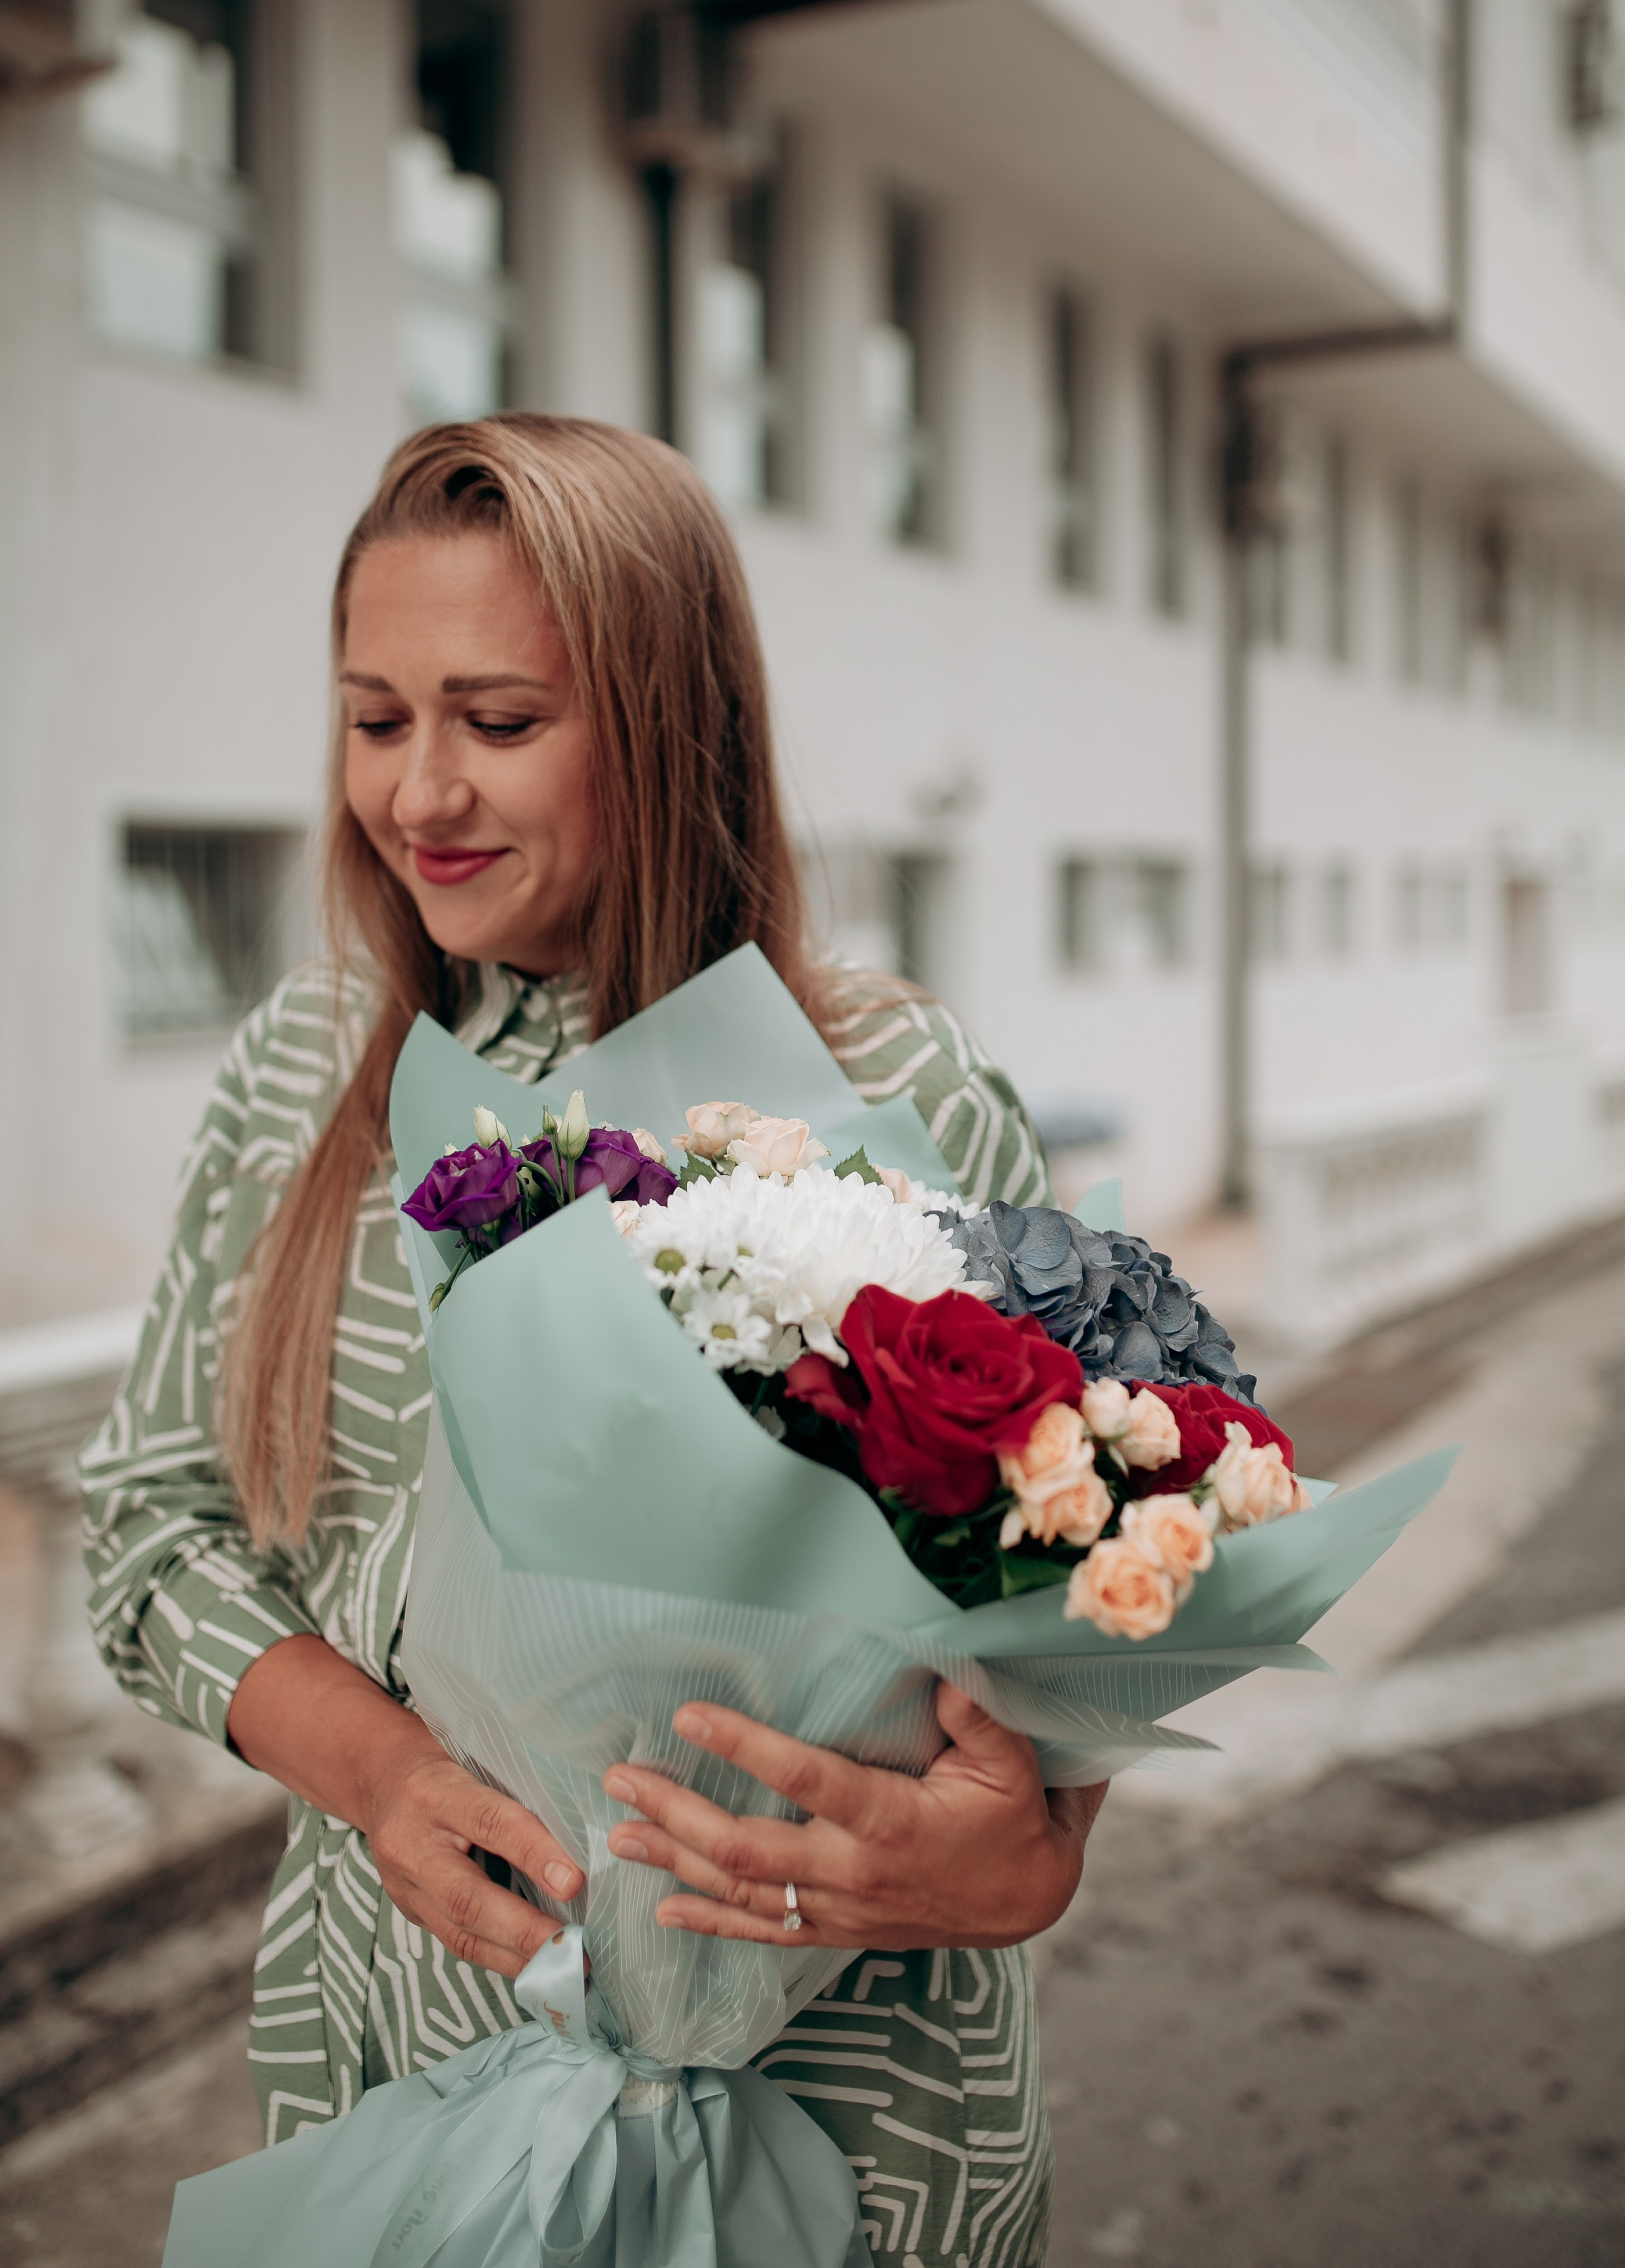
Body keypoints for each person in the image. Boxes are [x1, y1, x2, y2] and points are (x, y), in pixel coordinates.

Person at [80, 415, 1105, 2263]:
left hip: (855, 2097)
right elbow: (150, 1530)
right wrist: (379, 1773)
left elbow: (1065, 1578)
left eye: (499, 719)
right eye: (377, 719)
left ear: (666, 720)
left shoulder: (897, 1088)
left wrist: (1032, 1849)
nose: (420, 796)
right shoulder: (302, 1080)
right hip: (401, 2071)